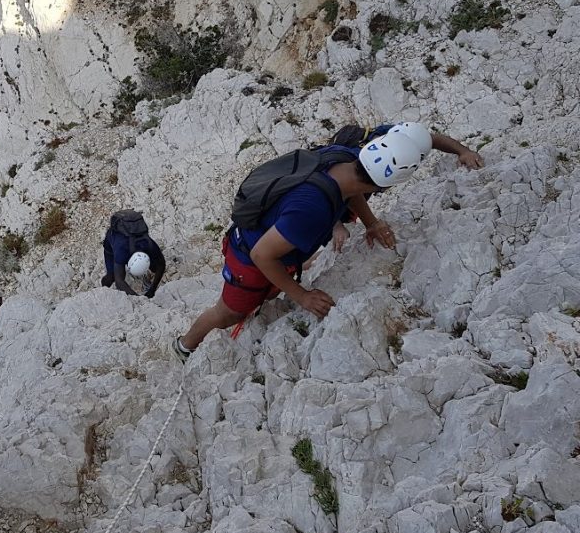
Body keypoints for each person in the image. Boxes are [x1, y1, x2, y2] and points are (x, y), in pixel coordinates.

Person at [173, 130, 424, 362]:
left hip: (272, 246)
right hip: (249, 259)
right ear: (386, 185)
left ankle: (262, 298)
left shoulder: (347, 158)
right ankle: (184, 346)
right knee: (229, 312)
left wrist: (371, 222)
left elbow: (354, 188)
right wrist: (302, 296)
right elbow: (262, 255)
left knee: (267, 292)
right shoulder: (311, 209)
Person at [328, 121, 483, 252]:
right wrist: (341, 225)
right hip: (329, 199)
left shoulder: (398, 136)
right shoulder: (367, 159)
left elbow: (434, 140)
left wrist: (463, 151)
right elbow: (345, 188)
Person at [100, 209, 166, 298]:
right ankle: (103, 291)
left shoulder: (149, 245)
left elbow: (161, 265)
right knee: (111, 276)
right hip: (112, 242)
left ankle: (148, 281)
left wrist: (152, 290)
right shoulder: (121, 250)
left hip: (132, 241)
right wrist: (139, 299)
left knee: (155, 267)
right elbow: (119, 281)